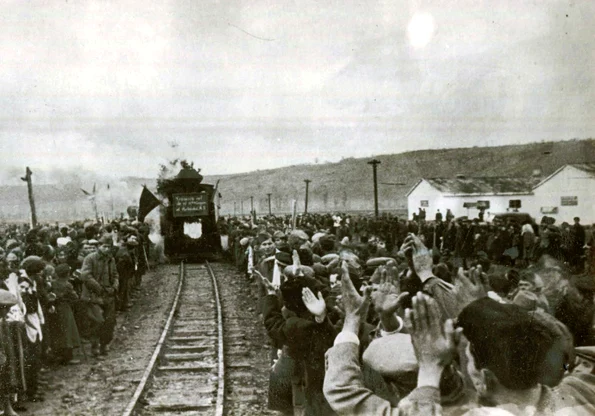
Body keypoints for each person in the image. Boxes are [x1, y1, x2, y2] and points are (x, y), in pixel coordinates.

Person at [80, 235, 119, 357]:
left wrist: (114, 287)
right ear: (99, 246)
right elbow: (86, 276)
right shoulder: (90, 258)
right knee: (97, 321)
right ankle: (95, 345)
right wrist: (99, 288)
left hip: (109, 295)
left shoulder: (111, 259)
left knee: (110, 322)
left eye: (109, 247)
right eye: (104, 246)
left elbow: (115, 274)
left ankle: (104, 344)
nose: (107, 249)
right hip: (93, 296)